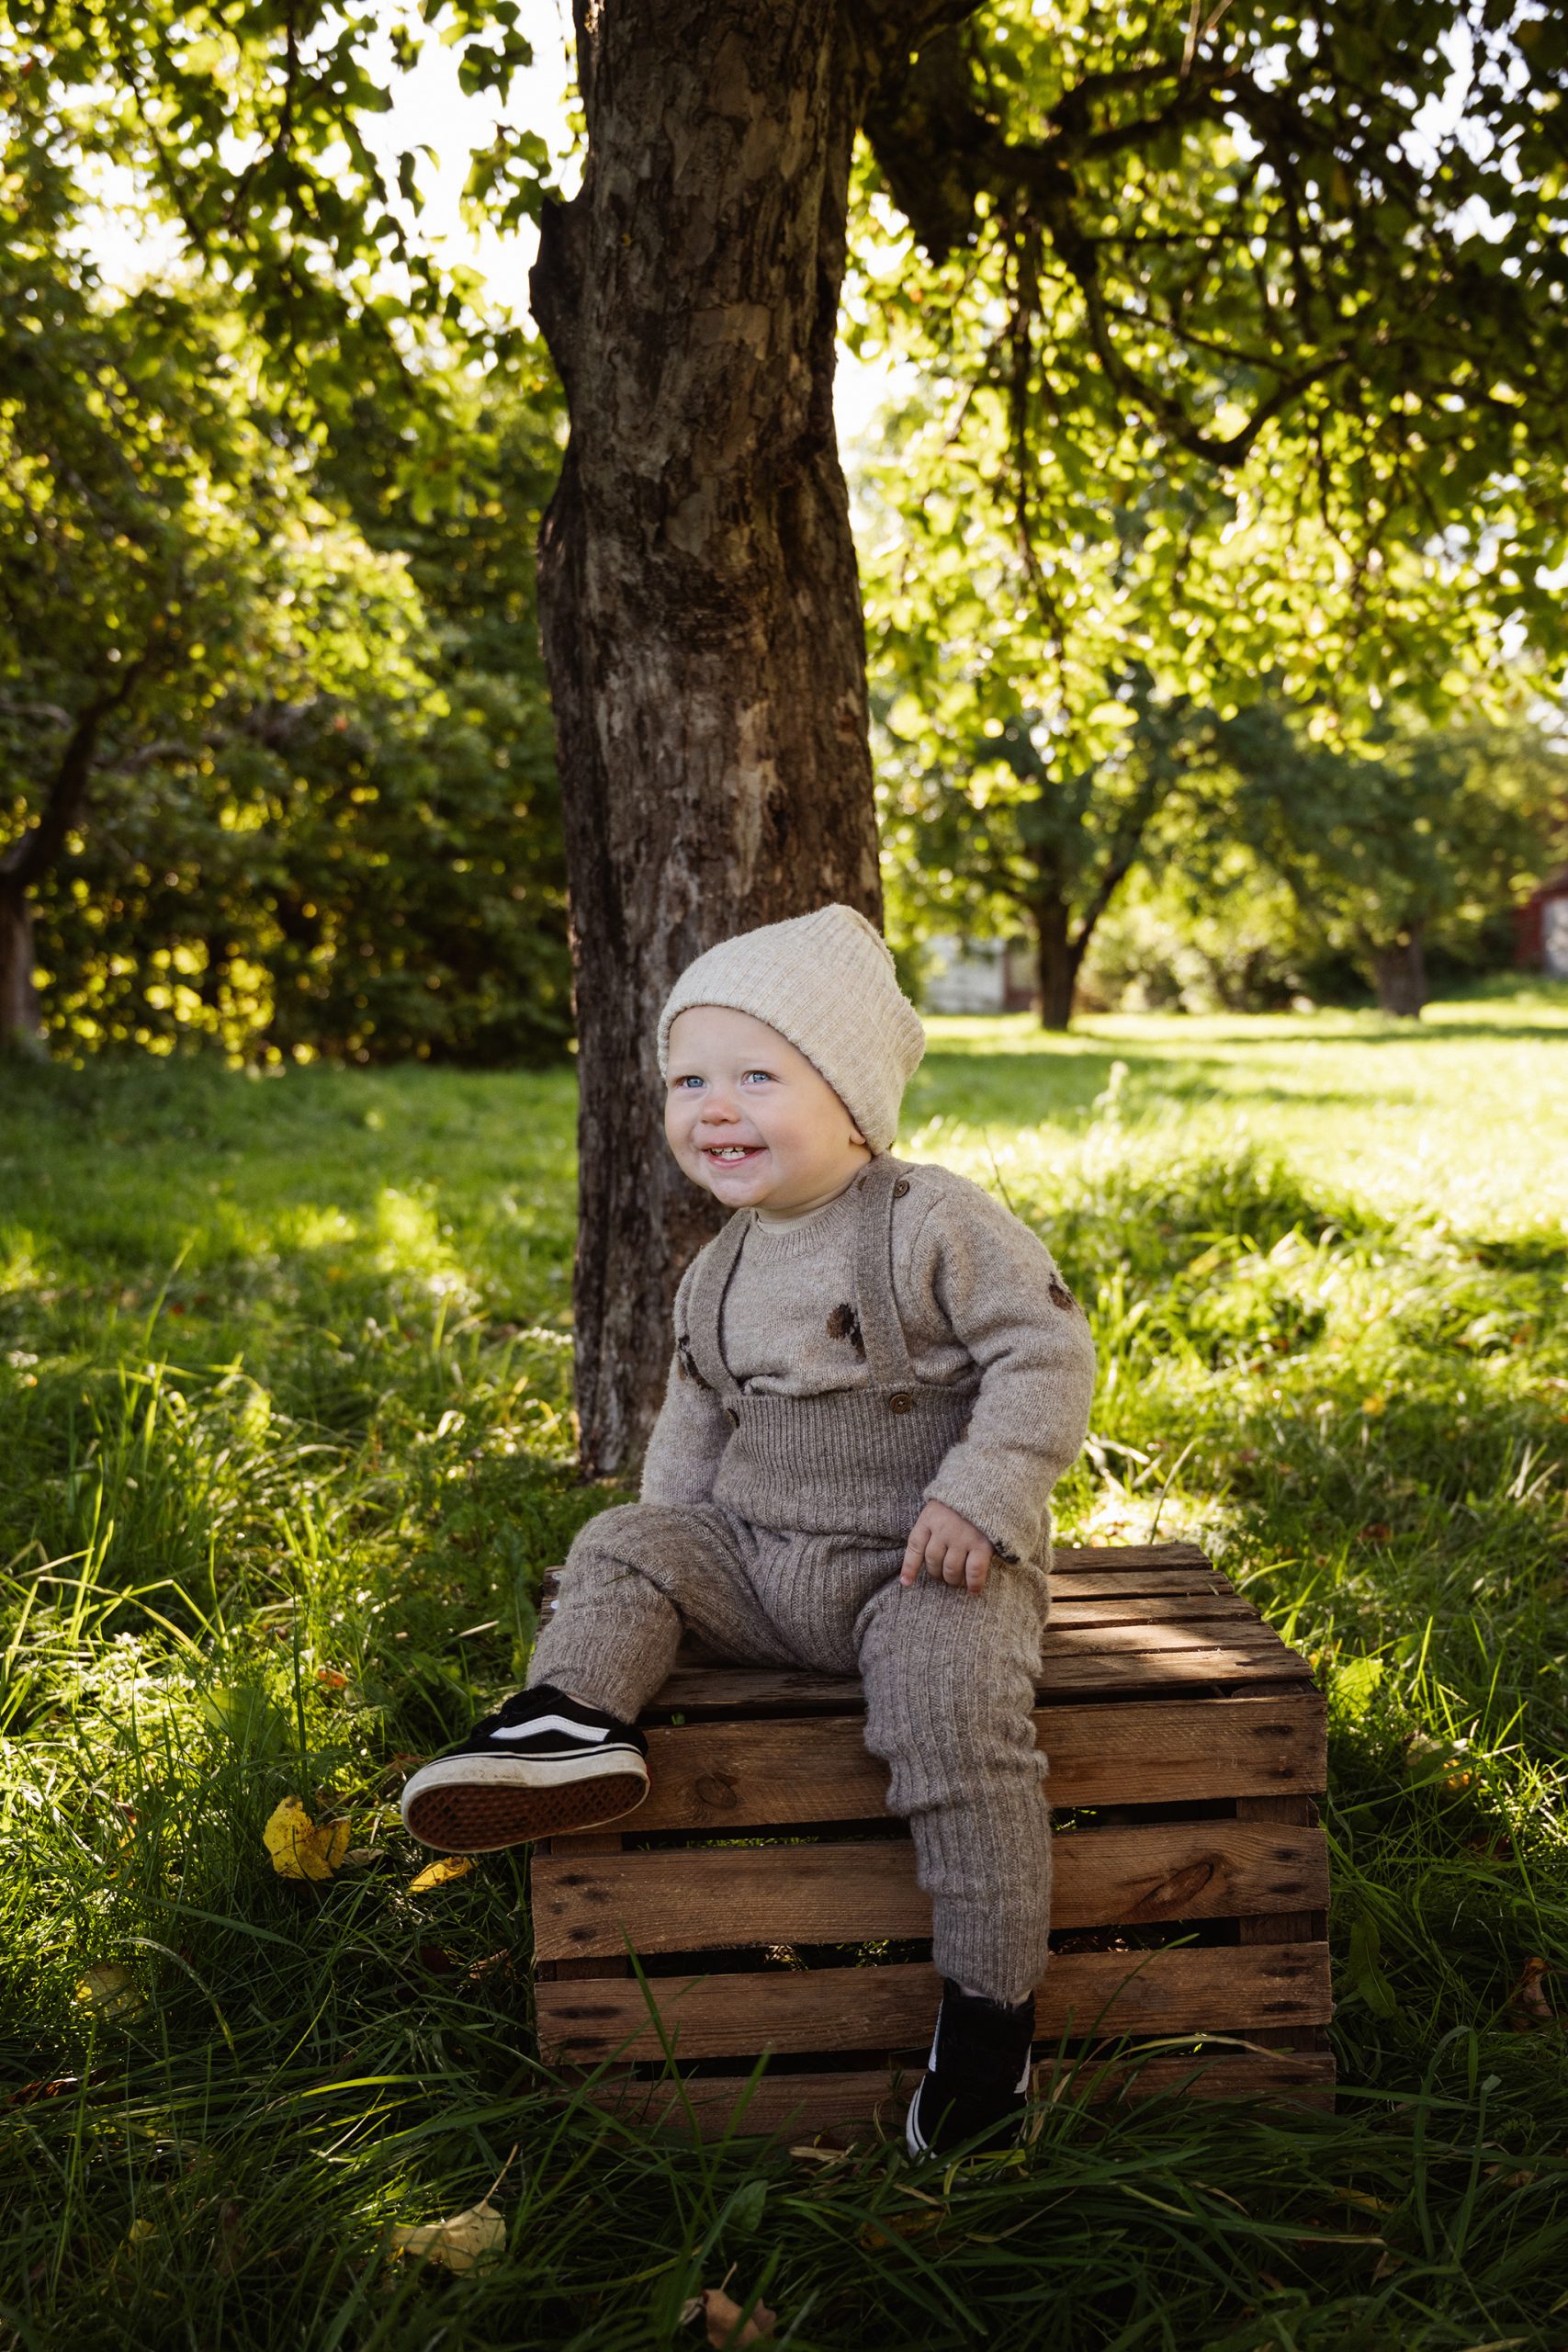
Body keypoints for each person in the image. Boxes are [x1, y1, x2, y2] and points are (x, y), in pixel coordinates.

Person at [400, 905, 1097, 2154]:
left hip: (928, 1567)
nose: (713, 1107)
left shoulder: (928, 1219)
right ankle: (568, 1725)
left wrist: (982, 1495)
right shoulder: (713, 1272)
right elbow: (693, 1436)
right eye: (688, 1080)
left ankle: (990, 2024)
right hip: (768, 1569)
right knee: (624, 1538)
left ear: (852, 1099)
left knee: (953, 1724)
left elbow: (1046, 1351)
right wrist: (667, 1560)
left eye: (756, 1075)